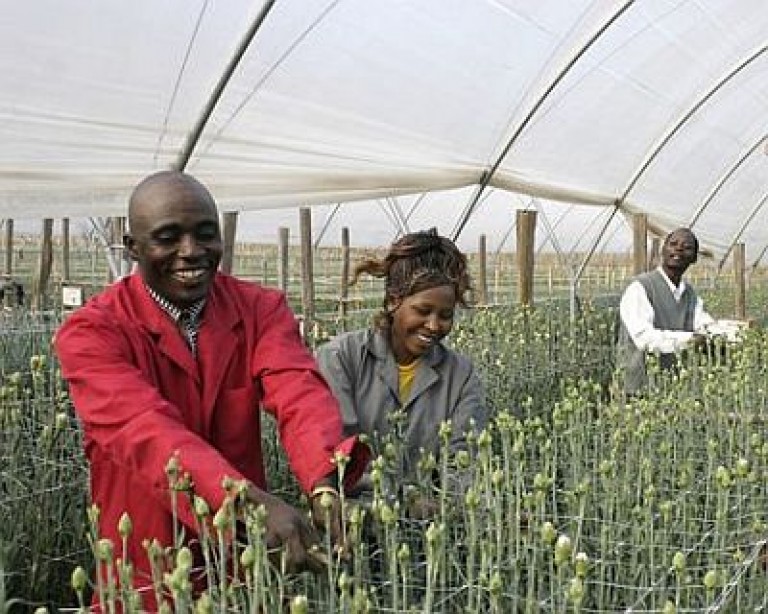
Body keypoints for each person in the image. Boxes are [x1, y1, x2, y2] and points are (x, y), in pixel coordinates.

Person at [54, 171, 368, 604]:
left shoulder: (260, 309)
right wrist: (250, 503)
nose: (191, 251)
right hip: (145, 560)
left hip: (241, 559)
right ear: (133, 248)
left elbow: (299, 391)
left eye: (206, 234)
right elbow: (144, 429)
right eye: (168, 237)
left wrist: (325, 481)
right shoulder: (92, 332)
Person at [316, 229, 487, 509]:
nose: (433, 325)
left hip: (432, 526)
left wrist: (478, 507)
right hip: (350, 526)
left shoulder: (461, 375)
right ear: (394, 300)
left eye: (445, 316)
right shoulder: (340, 358)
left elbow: (463, 460)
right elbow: (338, 452)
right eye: (423, 310)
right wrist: (403, 498)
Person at [617, 227, 715, 396]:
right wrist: (691, 340)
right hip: (637, 390)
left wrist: (730, 333)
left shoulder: (690, 294)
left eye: (687, 247)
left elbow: (705, 325)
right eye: (673, 244)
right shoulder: (641, 287)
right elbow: (644, 338)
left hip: (672, 388)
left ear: (693, 259)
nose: (678, 249)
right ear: (663, 250)